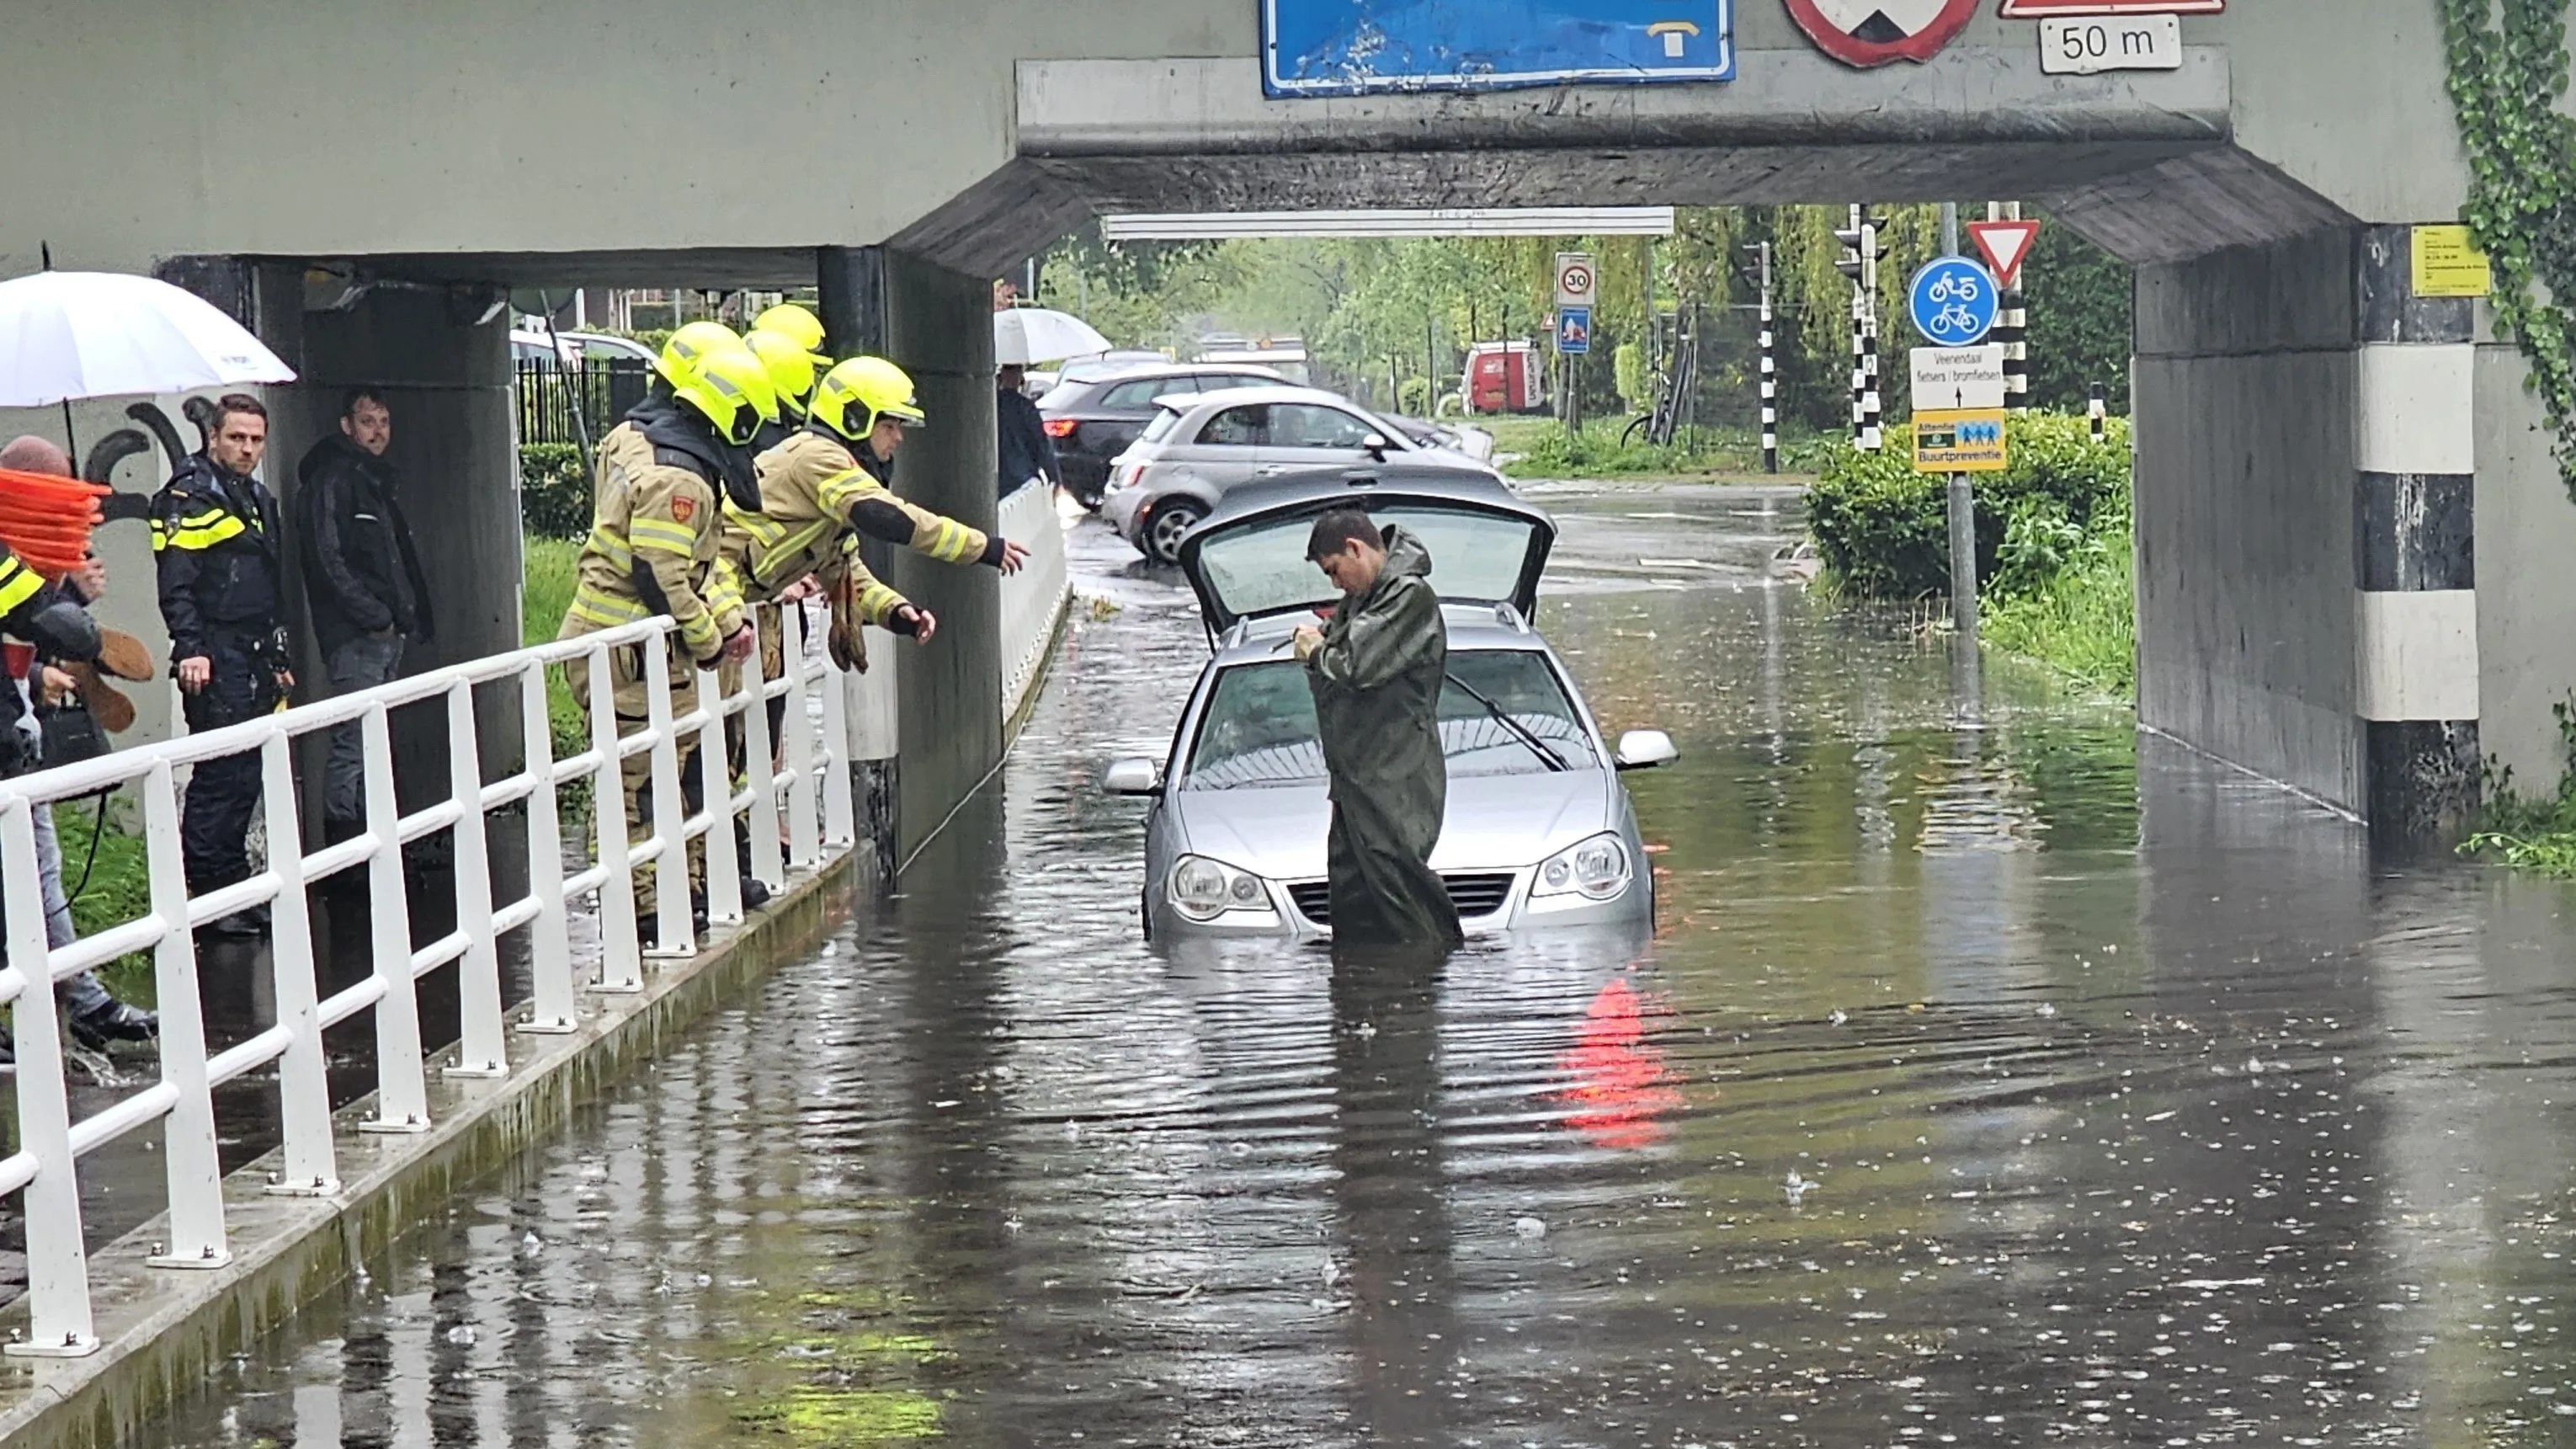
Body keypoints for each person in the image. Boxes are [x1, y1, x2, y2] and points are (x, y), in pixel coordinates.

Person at [558, 333, 770, 946]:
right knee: (637, 782)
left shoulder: (649, 446)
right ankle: (640, 908)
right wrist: (711, 641)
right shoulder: (681, 480)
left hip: (625, 646)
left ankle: (680, 888)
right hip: (627, 653)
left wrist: (725, 621)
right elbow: (662, 574)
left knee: (663, 773)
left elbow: (698, 566)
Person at [721, 355, 1027, 675]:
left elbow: (848, 574)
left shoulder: (825, 487)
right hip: (714, 598)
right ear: (855, 420)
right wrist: (983, 547)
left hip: (727, 605)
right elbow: (889, 518)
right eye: (889, 426)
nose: (898, 438)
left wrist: (897, 613)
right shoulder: (821, 458)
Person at [0, 435, 156, 1052]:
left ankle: (82, 998)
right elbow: (40, 617)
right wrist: (79, 617)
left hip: (13, 739)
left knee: (40, 874)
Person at [152, 394, 293, 935]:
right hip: (213, 653)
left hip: (253, 654)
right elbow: (178, 584)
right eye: (237, 437)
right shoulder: (189, 497)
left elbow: (269, 586)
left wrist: (278, 655)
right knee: (219, 775)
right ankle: (210, 900)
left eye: (256, 439)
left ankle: (234, 890)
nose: (247, 448)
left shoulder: (255, 496)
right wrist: (191, 648)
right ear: (213, 437)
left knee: (246, 774)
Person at [1291, 509, 1461, 949]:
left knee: (1401, 890)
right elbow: (1341, 656)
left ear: (1355, 549)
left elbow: (1355, 665)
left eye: (1334, 570)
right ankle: (1363, 985)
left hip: (1395, 775)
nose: (1336, 583)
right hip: (1354, 778)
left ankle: (1432, 977)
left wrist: (1315, 651)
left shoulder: (1408, 595)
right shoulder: (1364, 599)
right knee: (1352, 896)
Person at [295, 388, 434, 840]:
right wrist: (375, 616)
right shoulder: (333, 481)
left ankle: (368, 840)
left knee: (372, 740)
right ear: (346, 426)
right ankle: (345, 845)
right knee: (353, 742)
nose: (377, 431)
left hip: (383, 635)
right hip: (356, 636)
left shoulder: (371, 481)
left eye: (384, 422)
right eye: (367, 421)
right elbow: (327, 559)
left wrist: (401, 620)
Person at [995, 360, 1059, 499]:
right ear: (1020, 378)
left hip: (996, 477)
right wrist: (1055, 478)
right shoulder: (1026, 407)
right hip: (1022, 478)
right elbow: (1042, 445)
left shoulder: (991, 405)